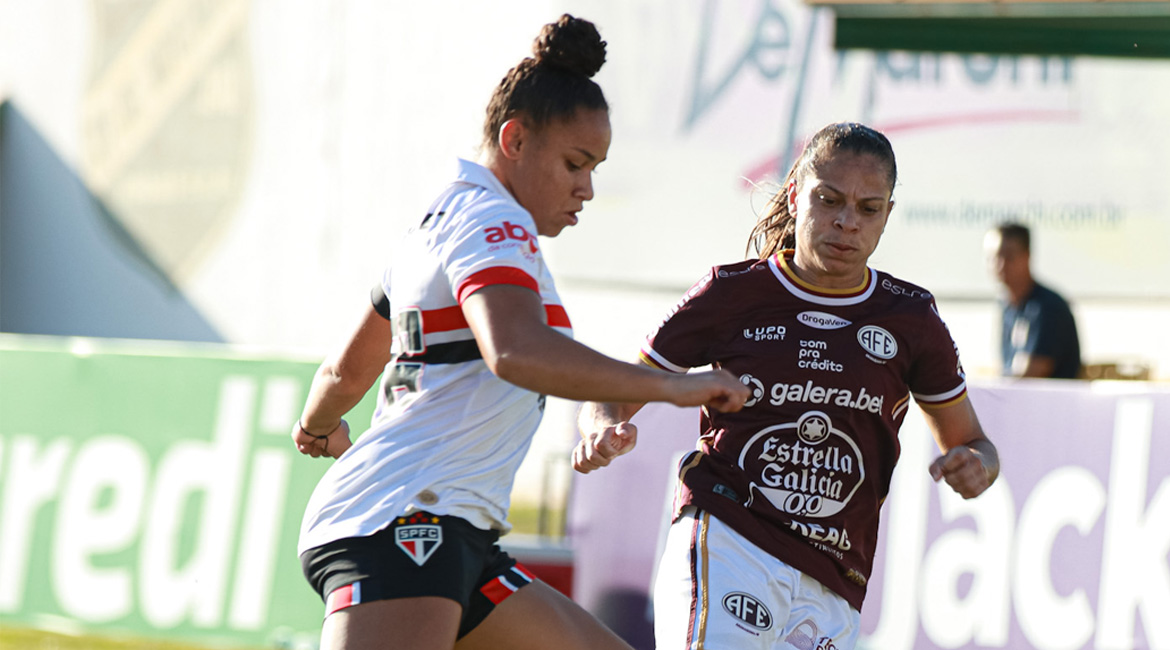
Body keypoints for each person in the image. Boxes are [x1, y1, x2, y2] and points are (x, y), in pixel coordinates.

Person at [290, 15, 750, 650]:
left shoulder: (439, 221)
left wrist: (318, 426)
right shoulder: (493, 225)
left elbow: (344, 372)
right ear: (514, 139)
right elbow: (514, 351)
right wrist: (675, 388)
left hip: (449, 527)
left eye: (595, 167)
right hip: (406, 522)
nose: (586, 187)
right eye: (574, 163)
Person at [574, 122, 999, 650]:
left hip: (834, 582)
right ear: (796, 195)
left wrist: (978, 465)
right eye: (829, 200)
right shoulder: (730, 293)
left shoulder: (911, 317)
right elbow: (614, 390)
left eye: (869, 209)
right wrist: (603, 427)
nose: (846, 223)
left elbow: (973, 442)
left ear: (888, 216)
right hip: (730, 543)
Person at [985, 222, 1082, 379]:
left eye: (1008, 256)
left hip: (1048, 402)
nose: (1000, 265)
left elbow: (1029, 376)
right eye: (993, 257)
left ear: (1027, 256)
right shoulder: (1006, 305)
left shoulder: (1048, 307)